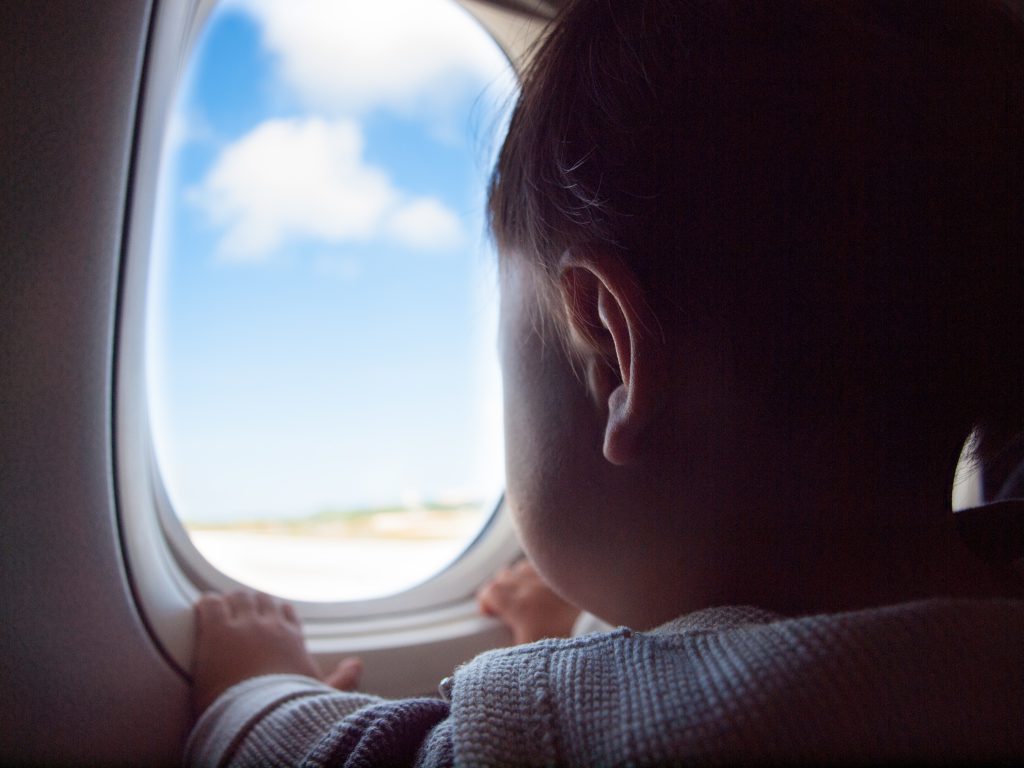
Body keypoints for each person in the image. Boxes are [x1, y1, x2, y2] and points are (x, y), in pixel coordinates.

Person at [185, 0, 1024, 764]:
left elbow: (327, 758)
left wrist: (250, 691)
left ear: (614, 349)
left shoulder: (571, 731)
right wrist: (574, 622)